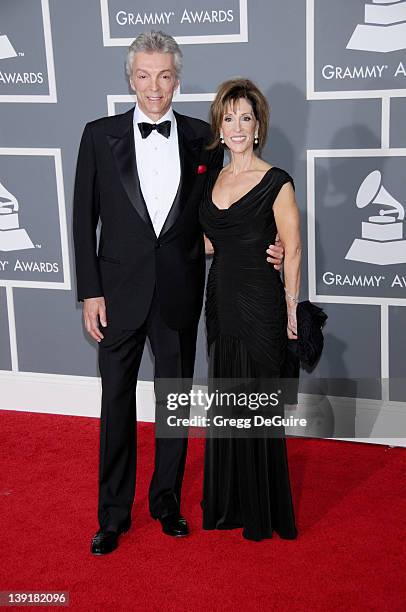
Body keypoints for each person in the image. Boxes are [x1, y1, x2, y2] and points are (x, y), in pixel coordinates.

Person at [73, 32, 284, 555]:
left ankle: (166, 501)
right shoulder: (99, 136)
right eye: (143, 75)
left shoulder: (201, 139)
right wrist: (91, 292)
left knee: (172, 403)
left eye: (164, 75)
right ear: (130, 78)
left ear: (177, 79)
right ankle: (113, 514)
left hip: (179, 292)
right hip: (117, 296)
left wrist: (270, 246)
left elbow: (234, 202)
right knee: (115, 404)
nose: (154, 87)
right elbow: (83, 220)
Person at [200, 78, 301, 541]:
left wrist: (291, 310)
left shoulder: (276, 181)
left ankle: (261, 509)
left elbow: (293, 250)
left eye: (246, 117)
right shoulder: (214, 176)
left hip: (259, 300)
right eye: (228, 117)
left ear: (258, 126)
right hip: (220, 296)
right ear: (219, 126)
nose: (237, 126)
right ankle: (229, 504)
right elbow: (209, 240)